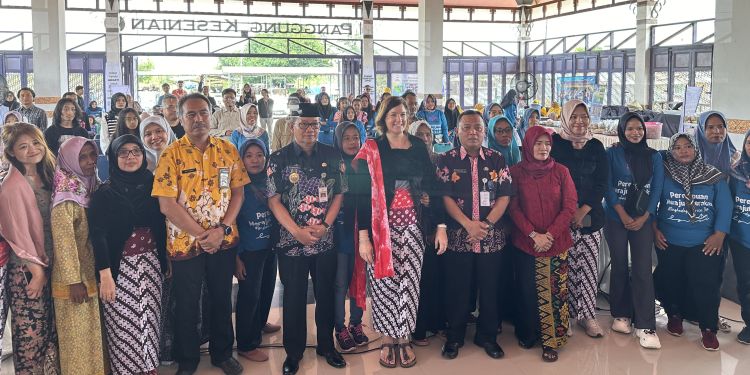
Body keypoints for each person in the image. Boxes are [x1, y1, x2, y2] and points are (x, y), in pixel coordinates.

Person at [152, 93, 248, 375]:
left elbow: (238, 192)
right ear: (180, 119)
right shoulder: (171, 154)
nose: (197, 119)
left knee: (221, 297)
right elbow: (166, 204)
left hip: (224, 241)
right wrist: (204, 235)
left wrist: (222, 230)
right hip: (185, 244)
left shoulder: (227, 149)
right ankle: (188, 358)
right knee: (187, 303)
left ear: (211, 114)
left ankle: (221, 354)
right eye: (190, 115)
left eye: (202, 113)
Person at [352, 96, 448, 368]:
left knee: (408, 284)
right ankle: (387, 339)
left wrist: (440, 226)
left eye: (403, 114)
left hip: (413, 230)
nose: (399, 120)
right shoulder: (373, 148)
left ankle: (403, 337)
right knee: (384, 286)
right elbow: (361, 195)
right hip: (381, 231)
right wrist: (363, 237)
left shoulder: (418, 146)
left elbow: (432, 186)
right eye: (393, 115)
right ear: (383, 118)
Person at [266, 102, 346, 375]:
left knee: (325, 294)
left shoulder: (333, 156)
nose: (310, 129)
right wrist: (296, 232)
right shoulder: (278, 158)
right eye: (304, 124)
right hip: (290, 243)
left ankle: (326, 345)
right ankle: (294, 353)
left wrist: (325, 224)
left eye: (314, 125)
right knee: (294, 297)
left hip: (325, 239)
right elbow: (274, 200)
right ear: (292, 126)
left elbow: (339, 194)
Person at [436, 110, 513, 360]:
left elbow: (505, 196)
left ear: (483, 131)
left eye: (477, 128)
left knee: (490, 288)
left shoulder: (497, 159)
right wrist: (468, 224)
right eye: (467, 127)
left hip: (490, 237)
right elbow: (444, 196)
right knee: (457, 288)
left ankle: (487, 336)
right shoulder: (445, 160)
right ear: (456, 132)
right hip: (459, 236)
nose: (472, 132)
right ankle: (454, 336)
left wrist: (486, 225)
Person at [88, 134, 168, 374]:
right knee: (123, 321)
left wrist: (165, 258)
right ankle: (127, 369)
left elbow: (161, 224)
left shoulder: (153, 184)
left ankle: (149, 366)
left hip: (151, 263)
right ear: (113, 157)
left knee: (150, 317)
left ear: (144, 155)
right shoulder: (105, 192)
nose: (131, 157)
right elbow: (98, 234)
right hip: (118, 267)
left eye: (136, 151)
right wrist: (106, 275)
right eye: (123, 152)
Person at [652, 133, 731, 351]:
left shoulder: (713, 176)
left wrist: (720, 234)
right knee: (671, 281)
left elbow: (725, 206)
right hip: (669, 241)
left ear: (696, 149)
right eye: (677, 148)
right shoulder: (665, 174)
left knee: (706, 286)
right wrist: (654, 229)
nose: (683, 151)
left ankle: (708, 328)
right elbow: (653, 202)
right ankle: (674, 315)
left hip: (705, 243)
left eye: (688, 146)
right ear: (671, 152)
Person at [509, 126, 577, 362]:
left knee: (555, 291)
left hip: (556, 243)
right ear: (528, 145)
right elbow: (513, 207)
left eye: (547, 143)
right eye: (538, 143)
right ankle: (528, 333)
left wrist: (549, 235)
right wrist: (532, 235)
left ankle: (551, 341)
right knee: (527, 291)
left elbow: (570, 205)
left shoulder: (561, 171)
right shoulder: (516, 172)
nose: (543, 148)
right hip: (526, 243)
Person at [0, 122, 61, 374]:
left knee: (51, 331)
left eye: (36, 143)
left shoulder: (50, 175)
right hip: (27, 271)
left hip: (52, 263)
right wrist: (35, 271)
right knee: (30, 334)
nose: (32, 149)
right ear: (12, 152)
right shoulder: (10, 187)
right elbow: (15, 233)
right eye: (23, 146)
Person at [603, 112, 664, 349]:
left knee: (642, 268)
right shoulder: (613, 153)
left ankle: (646, 324)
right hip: (616, 218)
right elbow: (607, 187)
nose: (635, 133)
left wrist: (645, 216)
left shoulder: (654, 156)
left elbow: (657, 188)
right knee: (619, 265)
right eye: (629, 129)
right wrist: (622, 214)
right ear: (621, 130)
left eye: (639, 128)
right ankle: (621, 314)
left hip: (643, 218)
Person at [550, 99, 608, 338]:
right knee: (563, 267)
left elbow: (602, 182)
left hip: (590, 217)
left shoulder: (596, 146)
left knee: (587, 268)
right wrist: (567, 212)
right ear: (565, 117)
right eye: (574, 116)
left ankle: (587, 316)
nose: (579, 121)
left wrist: (583, 210)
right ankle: (564, 317)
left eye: (583, 116)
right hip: (560, 218)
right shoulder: (554, 144)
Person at [50, 137, 106, 374]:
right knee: (77, 339)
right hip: (73, 280)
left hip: (89, 272)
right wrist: (74, 281)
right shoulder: (66, 196)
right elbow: (64, 243)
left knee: (92, 335)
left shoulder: (88, 186)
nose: (90, 162)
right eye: (82, 157)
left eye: (92, 155)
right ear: (69, 160)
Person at [234, 138, 280, 363]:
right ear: (241, 159)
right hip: (249, 250)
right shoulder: (238, 185)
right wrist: (237, 257)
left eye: (259, 155)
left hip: (269, 247)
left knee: (266, 289)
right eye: (249, 155)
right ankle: (246, 343)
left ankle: (260, 323)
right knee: (249, 296)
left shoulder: (269, 180)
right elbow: (231, 222)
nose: (255, 160)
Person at [331, 121, 370, 353]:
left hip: (363, 232)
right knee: (340, 282)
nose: (352, 142)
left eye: (356, 137)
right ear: (338, 140)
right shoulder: (334, 164)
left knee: (360, 278)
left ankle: (356, 323)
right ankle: (339, 327)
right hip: (341, 233)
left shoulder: (364, 164)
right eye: (347, 138)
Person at [407, 120, 443, 347]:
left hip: (436, 228)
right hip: (413, 228)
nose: (424, 138)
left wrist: (433, 202)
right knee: (415, 280)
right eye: (418, 134)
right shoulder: (406, 160)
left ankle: (434, 321)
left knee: (434, 278)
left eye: (427, 134)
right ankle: (416, 327)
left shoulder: (439, 161)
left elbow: (446, 192)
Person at [729, 129, 750, 344]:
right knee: (745, 283)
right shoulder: (736, 172)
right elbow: (729, 202)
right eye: (749, 142)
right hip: (741, 237)